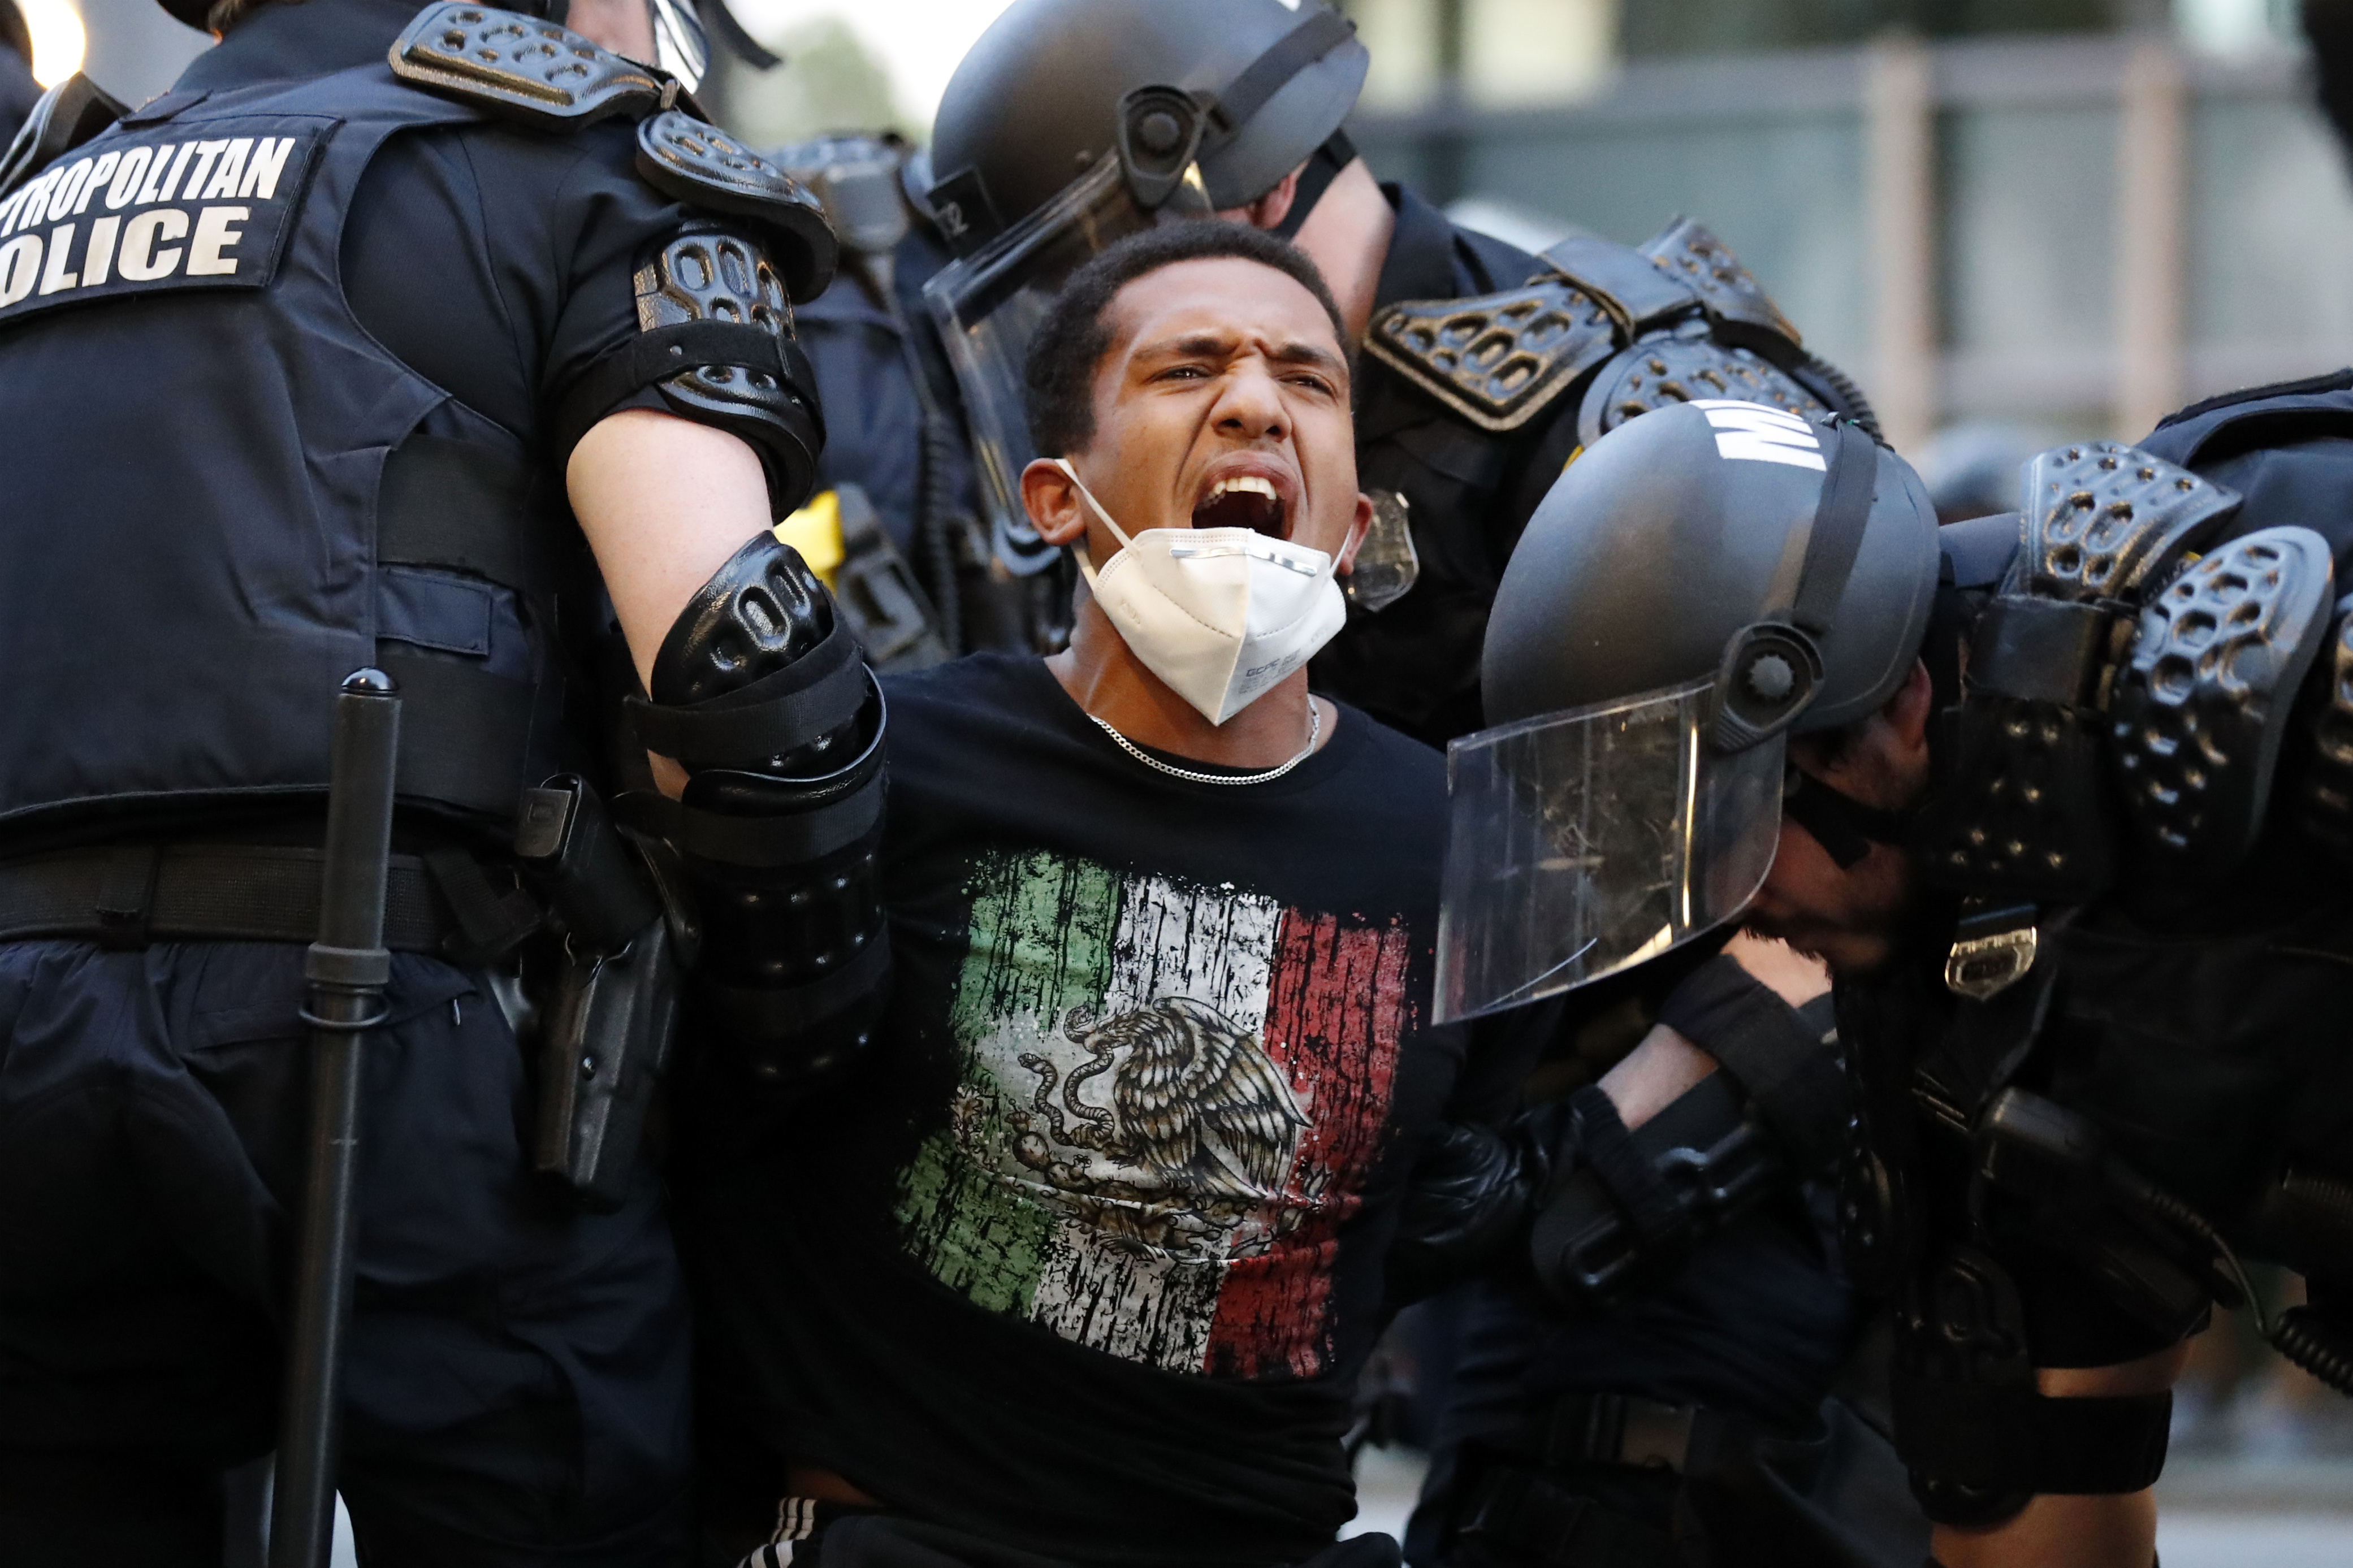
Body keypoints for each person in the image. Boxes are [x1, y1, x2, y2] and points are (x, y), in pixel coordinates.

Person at [0, 0, 881, 1559]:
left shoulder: (34, 195)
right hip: (383, 1023)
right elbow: (741, 659)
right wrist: (806, 1046)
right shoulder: (584, 167)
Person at [678, 219, 1535, 1568]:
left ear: (1358, 520)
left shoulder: (1463, 843)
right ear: (1053, 498)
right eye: (1188, 368)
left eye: (1306, 382)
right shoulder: (886, 767)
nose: (1255, 401)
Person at [1443, 389, 2353, 1568]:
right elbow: (2035, 1521)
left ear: (1893, 716)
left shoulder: (2274, 614)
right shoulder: (1952, 1039)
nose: (1725, 915)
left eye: (1724, 836)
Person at [906, 0, 1876, 746]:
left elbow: (1800, 836)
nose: (1092, 333)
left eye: (1109, 272)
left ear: (1266, 189)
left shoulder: (1621, 414)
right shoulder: (1163, 450)